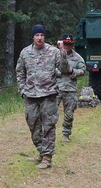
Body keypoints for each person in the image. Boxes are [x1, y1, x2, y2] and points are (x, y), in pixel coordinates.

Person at [15, 24, 67, 170]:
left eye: (42, 35)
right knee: (33, 124)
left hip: (48, 95)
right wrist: (22, 90)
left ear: (44, 37)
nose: (39, 37)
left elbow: (63, 69)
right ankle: (41, 151)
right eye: (37, 35)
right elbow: (20, 72)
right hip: (30, 95)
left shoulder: (54, 52)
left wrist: (63, 51)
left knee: (48, 126)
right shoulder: (25, 52)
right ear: (33, 37)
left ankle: (47, 157)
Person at [55, 35, 85, 142]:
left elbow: (82, 70)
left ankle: (66, 134)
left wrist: (73, 71)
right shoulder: (55, 55)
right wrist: (56, 72)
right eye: (65, 43)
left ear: (72, 44)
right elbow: (47, 67)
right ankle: (48, 134)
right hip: (56, 88)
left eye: (69, 44)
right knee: (50, 112)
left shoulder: (77, 57)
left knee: (69, 113)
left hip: (70, 89)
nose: (67, 46)